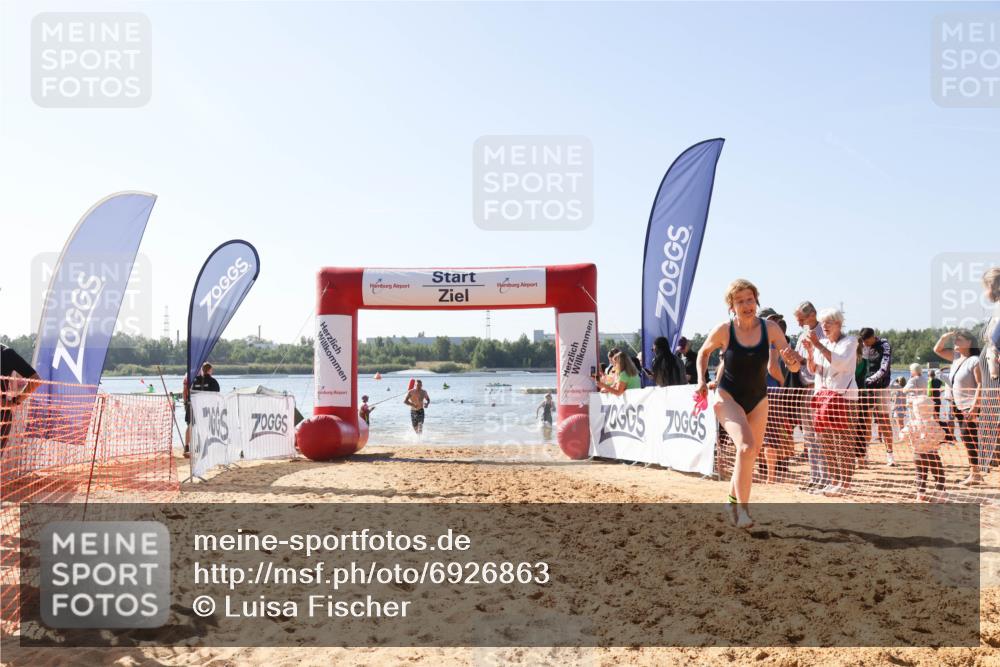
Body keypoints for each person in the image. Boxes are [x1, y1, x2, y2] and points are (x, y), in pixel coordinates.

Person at [696, 279, 800, 528]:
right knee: (745, 447)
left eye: (750, 299)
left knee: (749, 454)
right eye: (740, 301)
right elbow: (703, 352)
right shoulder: (724, 329)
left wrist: (793, 361)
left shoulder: (771, 329)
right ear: (731, 306)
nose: (746, 305)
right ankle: (742, 512)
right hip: (727, 396)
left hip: (758, 399)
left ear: (757, 301)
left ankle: (731, 501)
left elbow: (793, 366)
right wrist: (701, 380)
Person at [800, 308, 860, 497]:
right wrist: (810, 352)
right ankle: (834, 481)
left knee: (844, 441)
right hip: (823, 397)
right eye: (823, 322)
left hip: (844, 397)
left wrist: (817, 346)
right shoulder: (823, 343)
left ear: (839, 324)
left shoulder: (850, 341)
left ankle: (846, 483)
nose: (824, 326)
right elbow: (815, 370)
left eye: (829, 322)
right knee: (825, 440)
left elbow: (840, 363)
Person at [934, 330, 983, 486]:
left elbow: (980, 384)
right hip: (958, 405)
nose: (955, 342)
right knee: (966, 437)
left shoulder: (975, 360)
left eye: (959, 340)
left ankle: (975, 474)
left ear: (969, 343)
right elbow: (937, 349)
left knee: (969, 437)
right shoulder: (956, 357)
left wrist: (975, 407)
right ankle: (975, 472)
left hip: (970, 406)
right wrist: (944, 337)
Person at [791, 301, 827, 491]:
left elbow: (823, 360)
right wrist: (790, 359)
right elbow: (798, 361)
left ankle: (825, 478)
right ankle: (815, 477)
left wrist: (803, 359)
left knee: (821, 436)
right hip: (805, 389)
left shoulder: (824, 332)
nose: (798, 323)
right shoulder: (802, 334)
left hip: (820, 389)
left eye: (801, 319)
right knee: (809, 436)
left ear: (812, 315)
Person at [859, 328, 894, 466]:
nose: (866, 344)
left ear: (873, 337)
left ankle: (890, 454)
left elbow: (884, 368)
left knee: (883, 420)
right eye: (864, 342)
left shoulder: (884, 345)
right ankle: (865, 452)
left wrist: (870, 380)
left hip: (880, 387)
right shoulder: (862, 345)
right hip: (866, 389)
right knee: (866, 420)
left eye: (867, 341)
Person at [901, 396, 947, 502]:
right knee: (938, 473)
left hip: (918, 454)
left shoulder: (911, 424)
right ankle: (940, 494)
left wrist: (910, 441)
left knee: (920, 475)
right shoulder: (934, 424)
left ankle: (921, 494)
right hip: (932, 454)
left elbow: (902, 435)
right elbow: (942, 435)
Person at [1, 343, 40, 453]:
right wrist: (15, 401)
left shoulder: (6, 353)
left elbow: (35, 380)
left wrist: (14, 401)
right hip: (3, 414)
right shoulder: (6, 353)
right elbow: (35, 380)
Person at [184, 362, 221, 458]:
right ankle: (201, 446)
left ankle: (187, 446)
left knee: (190, 425)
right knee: (204, 426)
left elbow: (189, 392)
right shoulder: (213, 381)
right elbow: (216, 396)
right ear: (209, 370)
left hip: (192, 406)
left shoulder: (194, 380)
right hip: (205, 408)